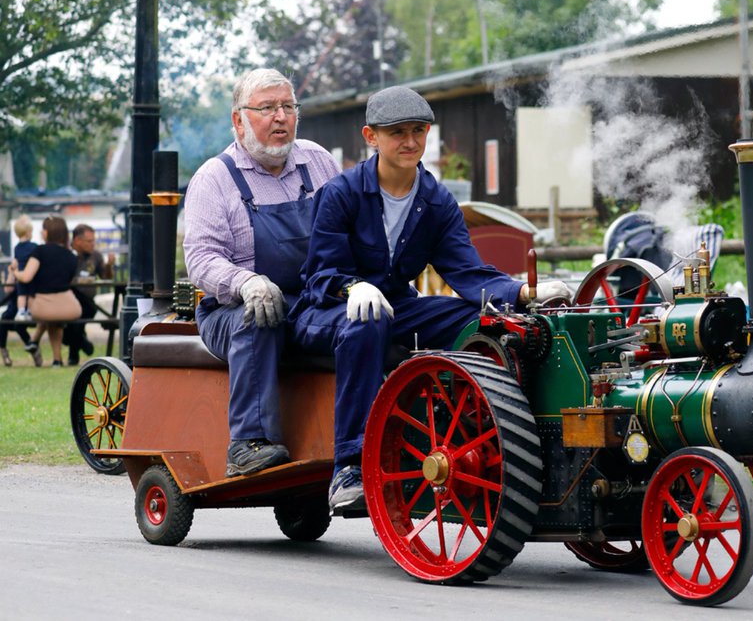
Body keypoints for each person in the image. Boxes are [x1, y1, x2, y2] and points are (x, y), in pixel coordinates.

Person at [291, 85, 571, 514]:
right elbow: (319, 274)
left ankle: (475, 431)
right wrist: (352, 287)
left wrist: (521, 292)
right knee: (368, 322)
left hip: (394, 305)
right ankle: (349, 467)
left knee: (473, 318)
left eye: (418, 130)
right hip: (327, 309)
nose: (409, 141)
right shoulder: (342, 193)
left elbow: (466, 271)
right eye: (396, 131)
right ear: (371, 136)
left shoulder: (435, 199)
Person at [183, 68, 340, 478]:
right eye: (267, 108)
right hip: (231, 312)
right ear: (238, 120)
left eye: (288, 106)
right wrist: (246, 282)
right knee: (261, 318)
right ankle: (248, 444)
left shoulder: (318, 162)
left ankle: (352, 440)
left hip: (308, 300)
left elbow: (350, 230)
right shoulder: (214, 179)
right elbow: (200, 258)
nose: (281, 117)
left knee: (364, 322)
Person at [8, 216, 81, 367]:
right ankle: (56, 360)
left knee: (49, 316)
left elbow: (27, 277)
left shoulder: (39, 251)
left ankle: (35, 342)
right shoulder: (72, 256)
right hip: (69, 306)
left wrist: (15, 272)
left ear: (46, 233)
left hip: (43, 305)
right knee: (54, 321)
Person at [64, 224, 115, 365]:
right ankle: (81, 345)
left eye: (94, 241)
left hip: (87, 302)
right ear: (77, 241)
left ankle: (76, 350)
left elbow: (106, 277)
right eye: (89, 241)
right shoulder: (67, 254)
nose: (93, 244)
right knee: (73, 327)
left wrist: (109, 265)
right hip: (67, 300)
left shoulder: (96, 256)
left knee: (77, 323)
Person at [1, 215, 36, 367]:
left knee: (17, 323)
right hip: (18, 296)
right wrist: (11, 272)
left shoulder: (21, 250)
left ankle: (33, 349)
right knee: (4, 319)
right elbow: (9, 288)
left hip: (28, 295)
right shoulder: (24, 251)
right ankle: (3, 351)